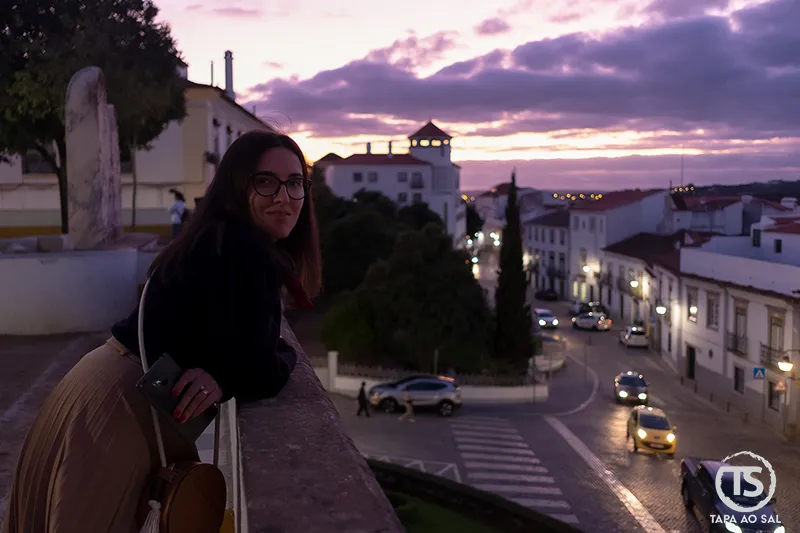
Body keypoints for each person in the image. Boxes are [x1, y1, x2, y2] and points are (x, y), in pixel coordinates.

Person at [1, 129, 322, 533]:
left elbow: (240, 345)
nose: (283, 196)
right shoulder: (243, 252)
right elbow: (262, 366)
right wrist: (281, 358)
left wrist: (224, 373)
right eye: (266, 182)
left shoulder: (221, 239)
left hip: (102, 384)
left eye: (295, 183)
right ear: (237, 188)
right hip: (121, 408)